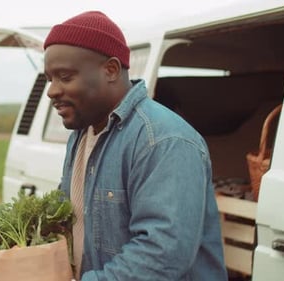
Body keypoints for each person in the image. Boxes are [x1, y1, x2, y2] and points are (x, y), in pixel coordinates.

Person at [43, 11, 227, 280]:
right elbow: (70, 214)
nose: (52, 90)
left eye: (65, 77)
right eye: (50, 78)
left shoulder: (163, 140)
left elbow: (162, 255)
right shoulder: (83, 133)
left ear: (111, 70)